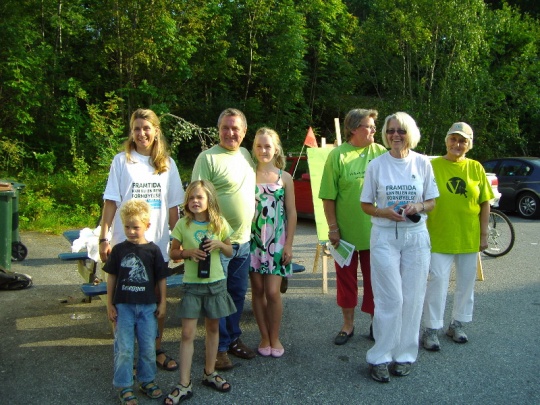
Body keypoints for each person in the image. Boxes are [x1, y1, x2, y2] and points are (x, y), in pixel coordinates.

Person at [99, 108, 184, 372]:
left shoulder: (167, 164)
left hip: (155, 245)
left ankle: (154, 349)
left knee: (156, 298)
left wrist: (177, 241)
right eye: (136, 128)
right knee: (123, 300)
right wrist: (103, 237)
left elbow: (174, 209)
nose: (141, 133)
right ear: (131, 132)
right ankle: (126, 353)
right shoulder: (121, 161)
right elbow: (110, 202)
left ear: (156, 131)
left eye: (146, 128)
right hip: (125, 245)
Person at [360, 112, 439, 382]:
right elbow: (365, 204)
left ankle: (405, 355)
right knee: (390, 299)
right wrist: (383, 213)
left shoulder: (423, 163)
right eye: (391, 130)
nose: (396, 135)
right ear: (385, 134)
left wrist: (418, 206)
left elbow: (432, 201)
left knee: (414, 298)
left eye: (401, 131)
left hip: (416, 237)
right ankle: (380, 356)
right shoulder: (376, 165)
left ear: (410, 133)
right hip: (384, 238)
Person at [191, 108, 256, 370]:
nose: (230, 133)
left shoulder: (245, 154)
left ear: (244, 132)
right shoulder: (207, 158)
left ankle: (232, 340)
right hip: (218, 243)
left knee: (237, 294)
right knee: (217, 296)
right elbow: (196, 199)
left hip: (243, 241)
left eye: (235, 128)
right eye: (226, 128)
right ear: (218, 130)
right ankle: (217, 349)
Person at [422, 122, 493, 351]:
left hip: (468, 237)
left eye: (463, 140)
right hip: (438, 236)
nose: (457, 144)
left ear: (469, 144)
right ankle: (432, 329)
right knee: (437, 283)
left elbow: (485, 203)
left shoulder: (476, 168)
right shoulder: (432, 166)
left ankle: (458, 324)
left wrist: (484, 235)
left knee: (466, 284)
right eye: (453, 139)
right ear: (446, 141)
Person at [164, 180, 236, 404]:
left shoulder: (219, 223)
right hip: (192, 286)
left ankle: (209, 372)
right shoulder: (183, 225)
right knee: (187, 333)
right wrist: (188, 252)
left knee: (213, 328)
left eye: (200, 197)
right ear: (187, 201)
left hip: (215, 284)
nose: (195, 201)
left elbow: (230, 251)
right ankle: (184, 383)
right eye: (192, 197)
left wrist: (219, 245)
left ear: (209, 200)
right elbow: (173, 253)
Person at [319, 108, 387, 345]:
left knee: (375, 281)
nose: (374, 130)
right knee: (345, 281)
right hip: (345, 235)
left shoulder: (380, 152)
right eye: (369, 126)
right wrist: (333, 228)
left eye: (373, 126)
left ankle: (375, 324)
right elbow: (328, 196)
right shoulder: (337, 156)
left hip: (376, 233)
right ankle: (347, 325)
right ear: (354, 128)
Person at [104, 199, 168, 405]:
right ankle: (124, 385)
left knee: (149, 346)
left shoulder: (154, 251)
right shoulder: (119, 250)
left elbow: (161, 278)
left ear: (147, 225)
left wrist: (163, 302)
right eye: (127, 227)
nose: (131, 231)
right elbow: (112, 276)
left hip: (148, 306)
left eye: (136, 227)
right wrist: (109, 304)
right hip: (124, 306)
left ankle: (147, 380)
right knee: (124, 348)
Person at [249, 127, 297, 358]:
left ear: (276, 148)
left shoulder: (284, 178)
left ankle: (275, 336)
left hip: (277, 243)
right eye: (259, 146)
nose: (263, 150)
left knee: (273, 292)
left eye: (267, 146)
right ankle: (264, 336)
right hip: (253, 241)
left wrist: (288, 245)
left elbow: (292, 212)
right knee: (257, 290)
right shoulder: (248, 175)